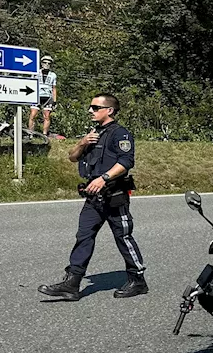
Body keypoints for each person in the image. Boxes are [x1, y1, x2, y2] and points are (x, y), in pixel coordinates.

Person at [39, 93, 147, 300]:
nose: (90, 111)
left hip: (114, 194)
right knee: (84, 236)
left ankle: (138, 280)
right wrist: (82, 143)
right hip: (93, 197)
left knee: (123, 237)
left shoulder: (120, 134)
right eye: (91, 107)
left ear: (109, 111)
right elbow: (72, 157)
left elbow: (126, 162)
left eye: (95, 107)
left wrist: (104, 178)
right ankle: (72, 283)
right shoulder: (93, 133)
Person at [27, 55, 57, 135]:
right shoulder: (35, 72)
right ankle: (31, 133)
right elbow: (30, 83)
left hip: (48, 97)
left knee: (46, 116)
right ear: (41, 63)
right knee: (33, 115)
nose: (47, 64)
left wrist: (54, 100)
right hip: (36, 95)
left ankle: (44, 134)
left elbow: (54, 88)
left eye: (49, 63)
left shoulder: (53, 75)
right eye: (45, 62)